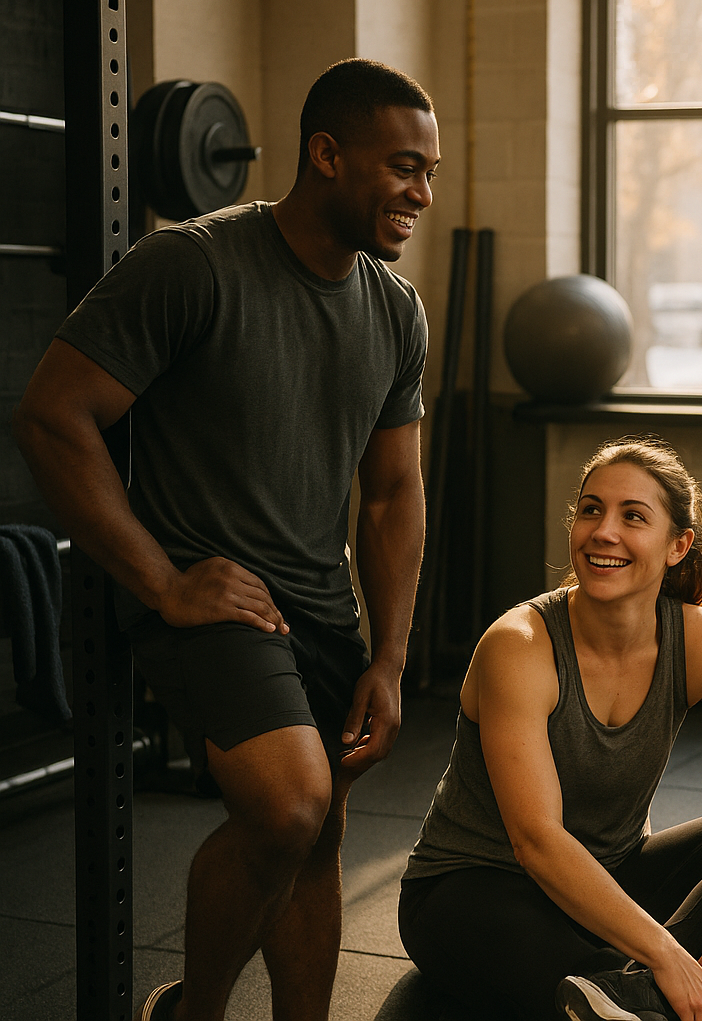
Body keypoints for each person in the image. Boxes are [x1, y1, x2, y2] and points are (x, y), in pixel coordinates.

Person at [14, 59, 438, 1021]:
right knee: (290, 806)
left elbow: (392, 494)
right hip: (213, 602)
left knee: (319, 831)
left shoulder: (395, 309)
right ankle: (193, 1012)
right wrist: (162, 583)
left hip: (320, 606)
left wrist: (390, 657)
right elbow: (52, 415)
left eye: (430, 172)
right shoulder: (193, 264)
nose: (421, 192)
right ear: (326, 154)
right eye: (403, 166)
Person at [398, 438, 702, 1021]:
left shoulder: (701, 640)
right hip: (476, 890)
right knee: (547, 951)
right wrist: (667, 953)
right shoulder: (519, 645)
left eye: (633, 517)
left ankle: (631, 994)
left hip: (609, 882)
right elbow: (536, 842)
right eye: (591, 510)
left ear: (678, 546)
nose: (604, 532)